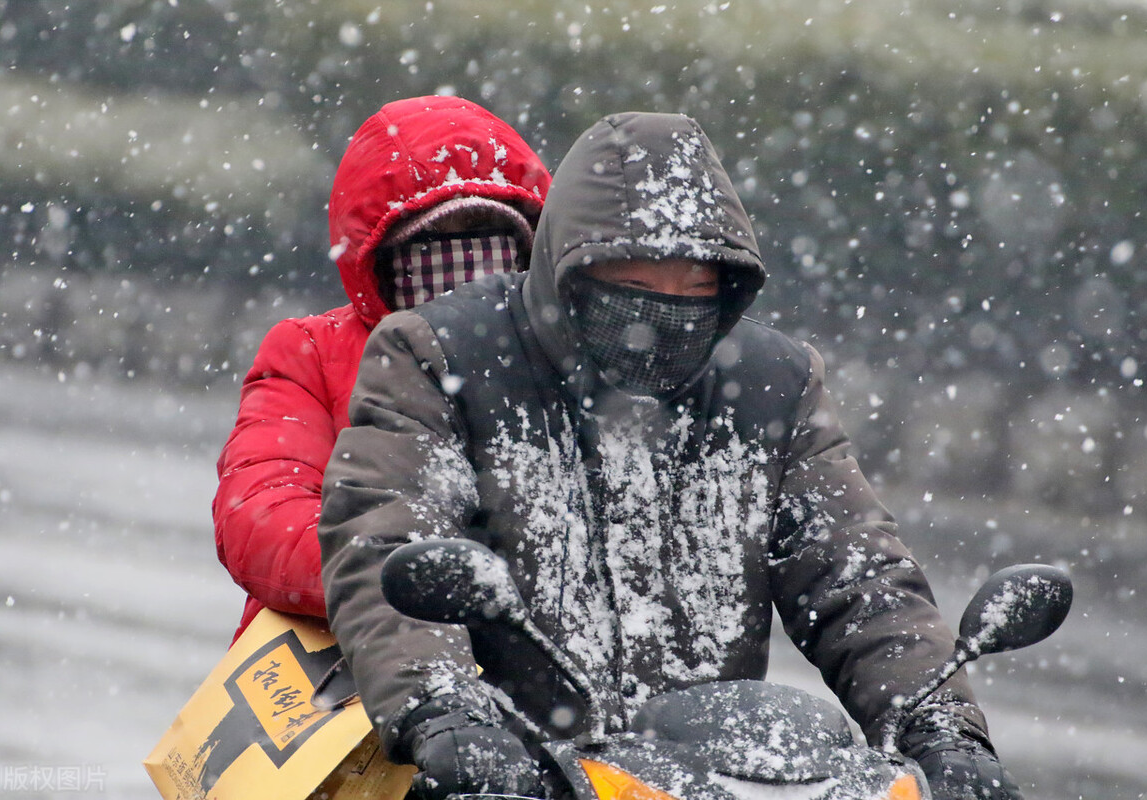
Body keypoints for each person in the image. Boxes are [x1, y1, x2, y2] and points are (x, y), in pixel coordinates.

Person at [318, 111, 1023, 800]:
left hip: (715, 779)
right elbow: (388, 535)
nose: (668, 312)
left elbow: (858, 578)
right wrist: (445, 710)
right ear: (572, 275)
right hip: (510, 770)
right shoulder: (444, 356)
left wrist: (944, 730)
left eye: (695, 290)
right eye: (638, 288)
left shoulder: (774, 386)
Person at [212, 96, 551, 641]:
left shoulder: (565, 361)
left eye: (487, 244)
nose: (464, 279)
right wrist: (408, 580)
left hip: (532, 679)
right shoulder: (310, 355)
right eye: (433, 247)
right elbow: (259, 517)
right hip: (341, 674)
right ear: (380, 261)